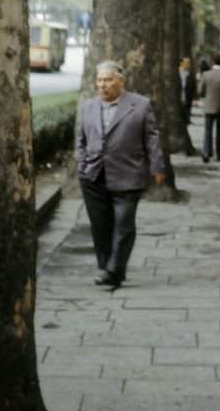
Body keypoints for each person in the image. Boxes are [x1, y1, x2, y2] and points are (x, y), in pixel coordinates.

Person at [76, 60, 165, 288]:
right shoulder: (88, 106)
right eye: (99, 80)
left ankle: (114, 268)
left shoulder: (140, 105)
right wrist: (81, 164)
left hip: (128, 175)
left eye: (108, 80)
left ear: (120, 81)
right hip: (93, 175)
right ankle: (106, 267)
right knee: (100, 225)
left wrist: (157, 166)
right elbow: (81, 140)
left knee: (124, 225)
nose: (102, 85)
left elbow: (151, 138)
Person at [199, 54, 220, 163]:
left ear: (213, 62)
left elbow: (200, 91)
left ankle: (206, 152)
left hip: (209, 105)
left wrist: (206, 96)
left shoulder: (206, 74)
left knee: (207, 130)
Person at [176, 56, 195, 126]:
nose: (189, 65)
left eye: (189, 63)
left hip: (187, 100)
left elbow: (193, 87)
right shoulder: (176, 73)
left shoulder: (190, 74)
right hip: (178, 99)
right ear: (181, 63)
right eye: (187, 63)